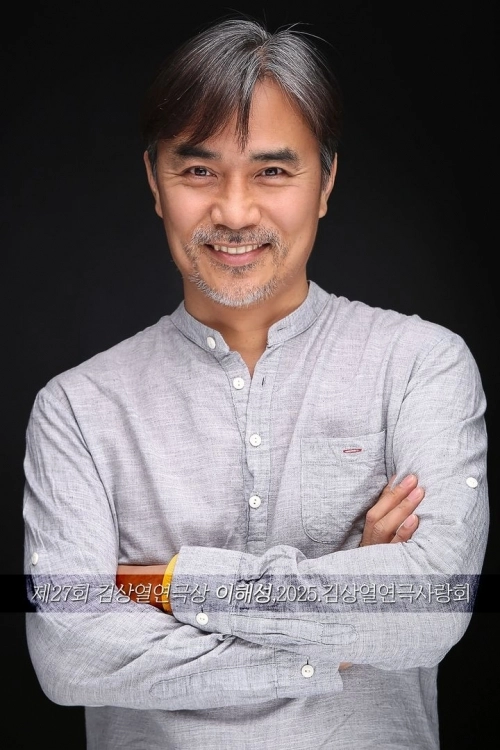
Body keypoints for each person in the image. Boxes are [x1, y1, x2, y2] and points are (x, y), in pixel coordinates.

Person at [23, 16, 489, 750]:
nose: (235, 212)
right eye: (198, 171)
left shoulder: (421, 366)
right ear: (154, 182)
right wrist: (339, 625)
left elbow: (430, 608)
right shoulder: (76, 410)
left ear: (325, 182)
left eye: (272, 172)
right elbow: (69, 655)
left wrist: (166, 583)